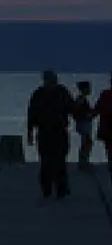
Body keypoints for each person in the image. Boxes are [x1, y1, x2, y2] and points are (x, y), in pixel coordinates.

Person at [27, 70, 75, 199]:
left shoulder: (61, 92)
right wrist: (30, 132)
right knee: (46, 161)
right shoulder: (39, 94)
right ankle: (47, 187)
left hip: (58, 131)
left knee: (59, 160)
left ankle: (60, 187)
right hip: (45, 132)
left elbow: (72, 108)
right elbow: (31, 114)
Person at [93, 73, 112, 184]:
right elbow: (97, 109)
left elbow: (97, 109)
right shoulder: (105, 95)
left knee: (110, 152)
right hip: (107, 131)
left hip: (107, 131)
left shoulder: (105, 94)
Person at [73, 80, 94, 171]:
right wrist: (87, 115)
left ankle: (84, 161)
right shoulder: (80, 99)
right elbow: (76, 112)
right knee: (86, 142)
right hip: (83, 124)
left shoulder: (82, 99)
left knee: (87, 142)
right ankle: (83, 162)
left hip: (84, 123)